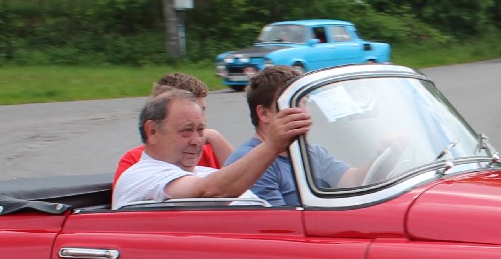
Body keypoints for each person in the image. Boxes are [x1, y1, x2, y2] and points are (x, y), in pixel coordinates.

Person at [111, 89, 310, 208]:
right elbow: (209, 192)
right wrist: (272, 145)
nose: (197, 140)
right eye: (186, 131)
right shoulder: (142, 175)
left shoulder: (203, 173)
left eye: (201, 130)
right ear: (153, 131)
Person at [224, 65, 371, 206]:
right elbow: (278, 219)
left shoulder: (312, 153)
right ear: (264, 114)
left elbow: (353, 180)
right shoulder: (251, 162)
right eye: (293, 105)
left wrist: (383, 158)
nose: (305, 113)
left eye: (305, 103)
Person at [112, 72, 229, 181]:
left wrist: (215, 138)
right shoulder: (134, 160)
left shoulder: (207, 149)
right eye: (186, 128)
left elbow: (237, 180)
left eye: (202, 110)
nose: (201, 118)